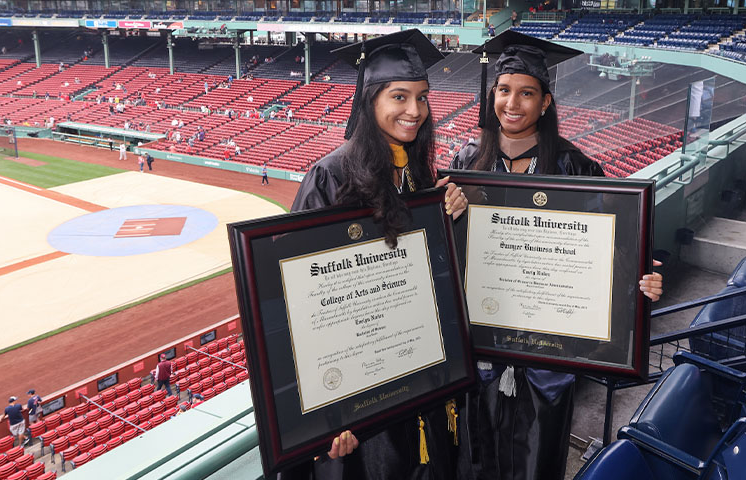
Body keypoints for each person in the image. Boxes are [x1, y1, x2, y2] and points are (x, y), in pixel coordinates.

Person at [451, 31, 663, 480]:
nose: (513, 103)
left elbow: (615, 247)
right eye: (504, 90)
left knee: (537, 461)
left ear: (545, 103)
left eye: (526, 93)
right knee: (476, 459)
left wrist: (640, 278)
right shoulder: (466, 161)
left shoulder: (575, 167)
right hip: (482, 349)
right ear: (492, 95)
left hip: (548, 357)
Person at [284, 29, 468, 480]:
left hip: (410, 370)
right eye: (400, 97)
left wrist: (451, 216)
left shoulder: (418, 173)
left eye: (423, 98)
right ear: (369, 101)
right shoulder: (331, 176)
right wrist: (324, 410)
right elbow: (298, 298)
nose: (414, 111)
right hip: (356, 389)